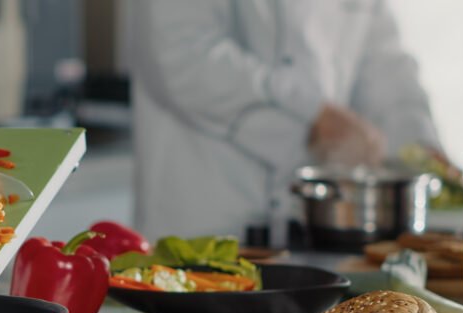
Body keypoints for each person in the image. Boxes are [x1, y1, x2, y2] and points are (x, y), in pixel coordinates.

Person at [131, 0, 442, 247]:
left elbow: (386, 69)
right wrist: (312, 118)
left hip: (308, 231)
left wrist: (424, 151)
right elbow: (182, 57)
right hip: (202, 217)